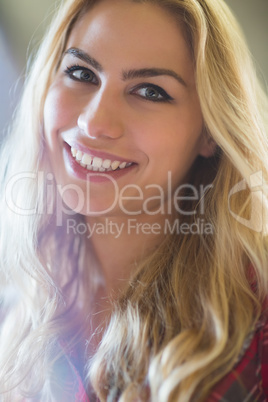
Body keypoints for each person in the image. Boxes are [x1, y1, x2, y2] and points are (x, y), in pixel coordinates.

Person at [0, 0, 267, 400]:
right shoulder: (20, 302)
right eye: (81, 73)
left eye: (149, 91)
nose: (94, 123)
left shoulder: (253, 326)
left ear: (210, 131)